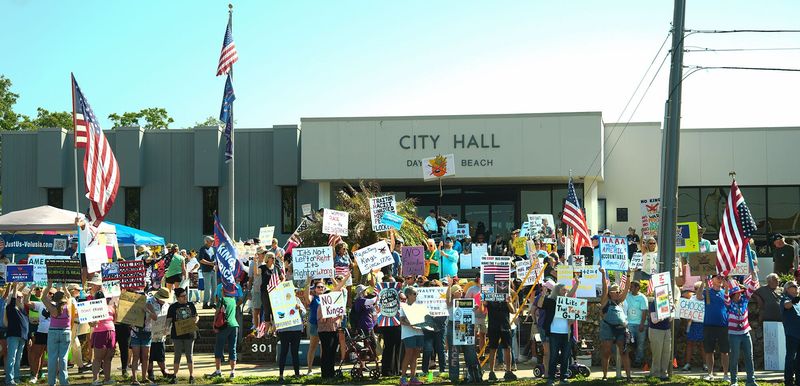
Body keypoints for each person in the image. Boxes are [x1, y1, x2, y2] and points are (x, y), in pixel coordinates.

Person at [539, 279, 578, 386]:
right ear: (557, 290)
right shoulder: (550, 301)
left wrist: (577, 284)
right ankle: (551, 378)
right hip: (554, 333)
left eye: (566, 289)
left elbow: (571, 294)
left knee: (566, 356)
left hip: (567, 333)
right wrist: (543, 295)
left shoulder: (568, 301)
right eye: (563, 289)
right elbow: (540, 305)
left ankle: (563, 378)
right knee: (553, 356)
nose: (565, 291)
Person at [599, 268, 634, 381]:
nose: (618, 293)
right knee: (606, 352)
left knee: (624, 352)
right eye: (616, 291)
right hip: (607, 328)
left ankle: (628, 376)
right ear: (610, 292)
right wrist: (604, 274)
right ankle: (604, 376)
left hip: (620, 329)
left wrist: (628, 275)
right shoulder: (605, 300)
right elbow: (604, 287)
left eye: (619, 291)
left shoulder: (620, 300)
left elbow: (627, 288)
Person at [726, 274, 758, 386]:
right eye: (736, 294)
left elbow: (752, 288)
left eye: (739, 293)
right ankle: (734, 381)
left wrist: (754, 276)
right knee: (734, 358)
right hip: (734, 334)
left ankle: (751, 380)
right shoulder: (729, 304)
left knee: (749, 357)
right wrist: (727, 283)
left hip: (745, 333)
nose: (739, 295)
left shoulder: (745, 300)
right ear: (732, 295)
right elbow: (726, 298)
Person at [207, 282, 243, 379]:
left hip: (223, 326)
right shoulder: (233, 300)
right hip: (234, 325)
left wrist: (214, 324)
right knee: (233, 349)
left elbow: (217, 312)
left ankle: (218, 371)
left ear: (224, 291)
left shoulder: (222, 300)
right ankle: (232, 372)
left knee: (219, 348)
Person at [446, 283, 481, 383]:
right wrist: (449, 286)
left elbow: (475, 308)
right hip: (453, 325)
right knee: (454, 352)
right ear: (453, 293)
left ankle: (474, 374)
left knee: (470, 351)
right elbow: (447, 298)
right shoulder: (450, 303)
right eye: (458, 291)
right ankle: (454, 376)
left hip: (465, 326)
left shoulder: (466, 301)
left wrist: (475, 309)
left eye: (462, 290)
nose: (461, 292)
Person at [42, 282, 74, 386]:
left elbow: (43, 297)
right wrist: (64, 287)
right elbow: (69, 296)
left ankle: (51, 382)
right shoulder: (68, 306)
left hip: (53, 332)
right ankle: (64, 382)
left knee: (52, 358)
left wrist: (50, 285)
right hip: (66, 332)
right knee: (63, 358)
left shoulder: (52, 308)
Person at [317, 275, 348, 379]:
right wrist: (326, 316)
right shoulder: (321, 306)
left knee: (333, 352)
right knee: (326, 352)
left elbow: (340, 318)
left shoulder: (335, 306)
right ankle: (325, 374)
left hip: (334, 331)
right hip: (324, 331)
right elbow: (321, 320)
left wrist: (339, 317)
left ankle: (331, 372)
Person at [701, 274, 730, 382]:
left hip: (723, 325)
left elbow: (729, 304)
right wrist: (703, 282)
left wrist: (727, 287)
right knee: (709, 351)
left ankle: (726, 375)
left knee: (725, 351)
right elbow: (699, 296)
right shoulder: (707, 291)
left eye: (721, 277)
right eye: (717, 277)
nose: (720, 279)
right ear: (712, 280)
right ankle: (710, 373)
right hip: (709, 325)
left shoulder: (725, 292)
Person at [166, 287, 198, 384]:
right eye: (182, 296)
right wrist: (165, 329)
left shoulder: (191, 305)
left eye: (185, 295)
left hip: (189, 334)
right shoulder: (173, 307)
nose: (185, 297)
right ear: (177, 297)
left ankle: (191, 376)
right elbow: (169, 320)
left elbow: (196, 316)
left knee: (189, 355)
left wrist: (196, 320)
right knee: (177, 355)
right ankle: (175, 375)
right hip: (177, 334)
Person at [484, 293, 518, 382]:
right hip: (493, 326)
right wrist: (483, 301)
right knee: (493, 349)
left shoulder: (506, 295)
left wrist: (508, 301)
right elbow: (482, 308)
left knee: (507, 348)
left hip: (505, 325)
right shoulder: (489, 296)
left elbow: (513, 310)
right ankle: (491, 372)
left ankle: (508, 371)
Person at [277, 291, 305, 383]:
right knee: (283, 352)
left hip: (296, 329)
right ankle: (281, 375)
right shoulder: (279, 301)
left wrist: (299, 308)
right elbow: (276, 313)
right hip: (284, 330)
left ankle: (297, 374)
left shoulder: (297, 300)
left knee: (295, 352)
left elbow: (304, 313)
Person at [4, 283, 30, 386]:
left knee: (18, 358)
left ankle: (16, 377)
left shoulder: (22, 309)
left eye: (22, 297)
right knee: (12, 358)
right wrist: (15, 287)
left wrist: (28, 337)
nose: (21, 298)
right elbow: (13, 297)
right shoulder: (11, 307)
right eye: (19, 297)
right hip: (13, 336)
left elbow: (26, 324)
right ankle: (9, 380)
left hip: (22, 337)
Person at [399, 286, 425, 386]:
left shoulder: (419, 306)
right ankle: (403, 378)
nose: (416, 296)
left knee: (416, 355)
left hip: (419, 333)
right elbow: (401, 320)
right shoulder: (404, 306)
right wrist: (412, 324)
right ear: (408, 295)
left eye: (416, 294)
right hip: (408, 334)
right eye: (414, 294)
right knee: (408, 354)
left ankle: (413, 378)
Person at [27, 286, 53, 384]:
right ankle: (34, 376)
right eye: (48, 293)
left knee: (52, 356)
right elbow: (27, 302)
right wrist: (30, 290)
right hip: (41, 332)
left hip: (52, 333)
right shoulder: (40, 304)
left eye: (51, 293)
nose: (49, 295)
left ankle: (53, 376)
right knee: (36, 355)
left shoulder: (56, 304)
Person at [90, 292, 117, 386]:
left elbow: (115, 319)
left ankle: (107, 379)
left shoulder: (111, 307)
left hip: (111, 332)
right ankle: (95, 380)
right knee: (98, 358)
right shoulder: (93, 309)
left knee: (108, 358)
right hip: (100, 333)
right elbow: (91, 323)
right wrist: (94, 321)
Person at [681, 282, 706, 372]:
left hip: (702, 324)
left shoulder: (705, 299)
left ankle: (706, 364)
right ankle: (687, 364)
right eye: (695, 288)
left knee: (703, 345)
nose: (696, 290)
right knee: (689, 343)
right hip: (692, 324)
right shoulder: (691, 298)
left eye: (698, 288)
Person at [148, 289, 172, 382]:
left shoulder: (167, 305)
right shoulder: (149, 302)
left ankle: (164, 371)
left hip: (161, 334)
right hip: (150, 332)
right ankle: (150, 372)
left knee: (161, 354)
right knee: (149, 356)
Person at [624, 281, 648, 367]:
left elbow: (644, 311)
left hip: (640, 325)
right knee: (629, 343)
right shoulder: (627, 296)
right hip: (630, 324)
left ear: (637, 288)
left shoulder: (642, 298)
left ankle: (638, 361)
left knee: (640, 345)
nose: (630, 288)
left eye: (632, 287)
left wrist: (642, 324)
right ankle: (629, 361)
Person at [648, 293, 672, 380]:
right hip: (655, 330)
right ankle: (655, 373)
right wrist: (662, 316)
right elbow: (654, 320)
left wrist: (671, 313)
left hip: (667, 330)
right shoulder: (653, 304)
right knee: (657, 353)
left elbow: (670, 319)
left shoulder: (667, 303)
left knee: (666, 352)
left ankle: (664, 373)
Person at [781, 281, 800, 385]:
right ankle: (788, 381)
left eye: (796, 286)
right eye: (793, 286)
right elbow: (786, 306)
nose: (796, 288)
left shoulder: (798, 300)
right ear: (787, 289)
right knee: (790, 358)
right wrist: (793, 301)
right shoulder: (785, 298)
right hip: (792, 334)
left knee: (799, 359)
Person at [248, 248, 266, 333]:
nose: (264, 254)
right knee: (256, 309)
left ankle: (265, 328)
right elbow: (251, 277)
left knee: (266, 310)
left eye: (264, 253)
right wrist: (249, 290)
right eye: (262, 253)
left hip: (266, 290)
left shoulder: (267, 262)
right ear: (258, 254)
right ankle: (256, 327)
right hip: (257, 289)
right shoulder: (253, 263)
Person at [198, 236, 217, 309]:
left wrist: (215, 264)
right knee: (207, 288)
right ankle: (205, 303)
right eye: (211, 241)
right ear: (206, 241)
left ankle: (213, 302)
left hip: (213, 270)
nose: (212, 242)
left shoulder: (212, 249)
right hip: (206, 271)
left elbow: (214, 258)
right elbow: (201, 260)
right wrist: (210, 263)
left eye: (212, 241)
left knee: (214, 288)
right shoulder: (203, 249)